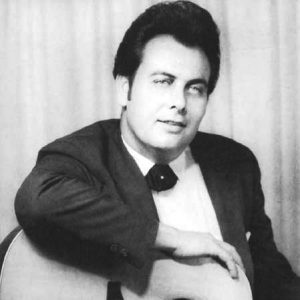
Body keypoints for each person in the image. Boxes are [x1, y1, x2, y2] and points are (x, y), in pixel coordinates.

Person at [12, 1, 300, 299]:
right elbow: (36, 199)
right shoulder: (86, 154)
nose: (179, 102)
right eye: (163, 81)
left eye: (195, 88)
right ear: (125, 89)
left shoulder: (235, 164)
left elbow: (270, 277)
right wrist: (170, 238)